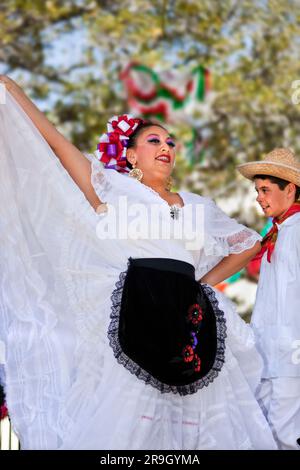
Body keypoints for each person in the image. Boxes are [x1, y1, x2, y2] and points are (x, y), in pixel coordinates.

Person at [0, 75, 277, 450]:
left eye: (170, 142)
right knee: (131, 412)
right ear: (130, 155)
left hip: (192, 312)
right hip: (139, 305)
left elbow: (248, 244)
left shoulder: (196, 204)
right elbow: (56, 143)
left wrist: (203, 283)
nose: (166, 147)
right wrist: (12, 89)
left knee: (204, 415)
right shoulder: (114, 189)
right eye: (154, 140)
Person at [237, 148, 300, 450]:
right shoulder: (276, 233)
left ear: (289, 189)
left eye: (265, 189)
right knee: (260, 436)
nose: (259, 198)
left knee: (283, 439)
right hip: (266, 354)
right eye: (257, 190)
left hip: (290, 355)